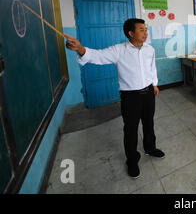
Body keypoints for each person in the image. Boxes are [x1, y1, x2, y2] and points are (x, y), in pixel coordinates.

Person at [64, 18, 164, 179]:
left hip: (148, 93)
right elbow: (98, 56)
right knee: (130, 129)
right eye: (141, 30)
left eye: (145, 29)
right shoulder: (119, 50)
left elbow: (152, 68)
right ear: (131, 33)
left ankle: (150, 148)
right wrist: (80, 49)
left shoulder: (149, 49)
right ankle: (132, 160)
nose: (146, 33)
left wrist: (155, 84)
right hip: (130, 97)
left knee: (148, 122)